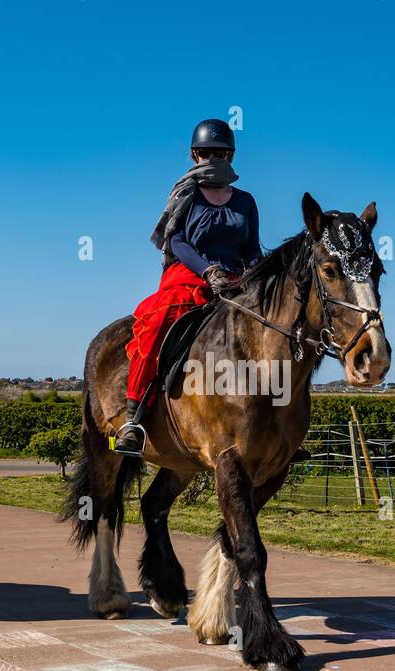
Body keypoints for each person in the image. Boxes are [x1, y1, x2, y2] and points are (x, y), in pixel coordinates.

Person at [116, 119, 262, 456]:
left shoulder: (246, 201)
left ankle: (275, 428)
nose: (214, 159)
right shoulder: (187, 195)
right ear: (195, 155)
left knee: (275, 328)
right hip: (188, 275)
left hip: (235, 280)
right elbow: (177, 240)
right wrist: (207, 269)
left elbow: (252, 248)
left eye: (221, 153)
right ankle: (134, 417)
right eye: (208, 153)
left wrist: (257, 275)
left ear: (232, 156)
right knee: (156, 322)